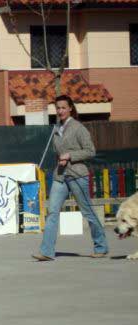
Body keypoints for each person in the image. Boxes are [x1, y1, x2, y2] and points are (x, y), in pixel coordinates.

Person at [32, 94, 108, 261]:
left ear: (70, 108)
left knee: (87, 212)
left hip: (77, 175)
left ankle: (101, 246)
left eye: (63, 107)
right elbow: (57, 152)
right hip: (60, 176)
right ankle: (47, 251)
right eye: (58, 108)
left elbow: (90, 151)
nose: (60, 111)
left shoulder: (78, 128)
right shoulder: (56, 128)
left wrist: (70, 155)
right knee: (52, 212)